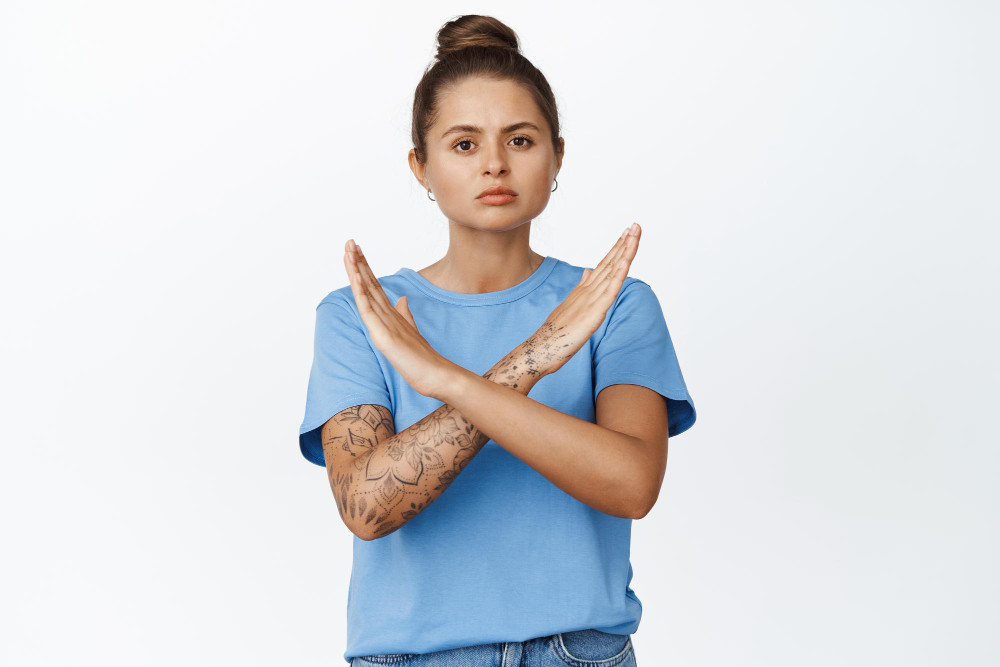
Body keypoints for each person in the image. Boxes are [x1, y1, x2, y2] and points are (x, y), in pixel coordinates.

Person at [297, 15, 696, 667]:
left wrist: (450, 380)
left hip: (579, 651)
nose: (494, 163)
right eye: (463, 144)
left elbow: (632, 483)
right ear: (419, 167)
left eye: (520, 138)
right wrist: (526, 363)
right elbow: (367, 505)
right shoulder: (361, 313)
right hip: (412, 656)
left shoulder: (614, 302)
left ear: (557, 155)